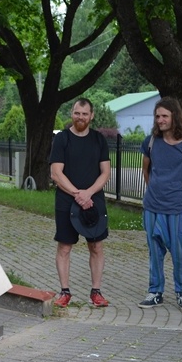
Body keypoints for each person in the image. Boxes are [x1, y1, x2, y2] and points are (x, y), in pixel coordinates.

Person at [138, 97, 182, 311]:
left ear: (175, 117)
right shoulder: (150, 142)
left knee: (179, 251)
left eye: (165, 116)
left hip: (176, 209)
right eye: (157, 116)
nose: (160, 120)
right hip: (152, 207)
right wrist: (154, 191)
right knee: (154, 251)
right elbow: (146, 169)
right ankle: (155, 291)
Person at [49, 98, 111, 308]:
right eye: (77, 113)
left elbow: (105, 173)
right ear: (72, 113)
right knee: (65, 247)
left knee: (96, 246)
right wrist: (78, 194)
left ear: (91, 116)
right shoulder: (62, 139)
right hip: (67, 200)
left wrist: (90, 193)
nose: (80, 117)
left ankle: (96, 292)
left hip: (94, 201)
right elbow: (56, 174)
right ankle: (65, 292)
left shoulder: (99, 140)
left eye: (85, 114)